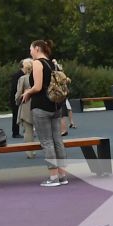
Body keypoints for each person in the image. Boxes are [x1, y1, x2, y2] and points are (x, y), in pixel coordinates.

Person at [20, 39, 70, 186]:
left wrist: (27, 93)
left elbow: (37, 86)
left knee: (47, 141)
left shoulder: (37, 63)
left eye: (31, 49)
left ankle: (53, 177)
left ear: (37, 48)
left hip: (41, 106)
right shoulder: (53, 63)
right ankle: (62, 175)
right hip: (55, 105)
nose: (30, 52)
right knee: (57, 140)